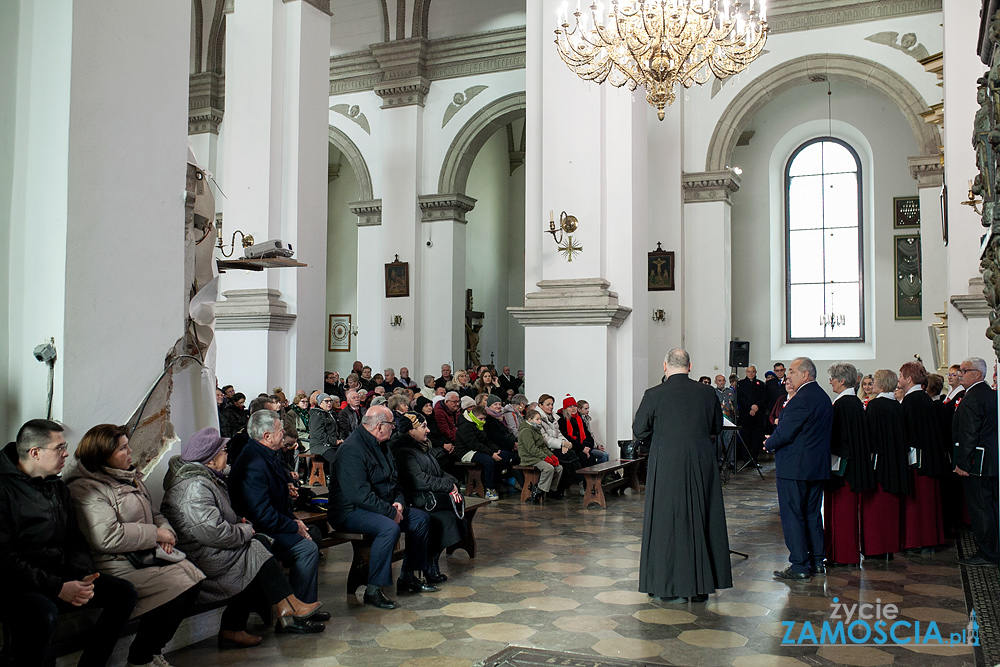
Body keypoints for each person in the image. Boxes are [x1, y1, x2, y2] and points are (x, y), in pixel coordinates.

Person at [160, 428, 324, 647]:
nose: (227, 455)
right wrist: (245, 529)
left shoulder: (206, 479)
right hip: (201, 555)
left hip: (213, 546)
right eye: (223, 451)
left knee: (260, 547)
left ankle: (250, 621)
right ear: (210, 460)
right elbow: (213, 531)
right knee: (257, 551)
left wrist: (240, 522)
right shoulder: (195, 486)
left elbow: (221, 517)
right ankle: (284, 607)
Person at [1, 420, 139, 667]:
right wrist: (57, 587)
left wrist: (83, 575)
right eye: (60, 447)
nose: (66, 453)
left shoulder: (57, 486)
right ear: (35, 452)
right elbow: (5, 558)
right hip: (17, 582)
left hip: (59, 575)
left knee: (123, 592)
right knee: (43, 613)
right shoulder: (4, 489)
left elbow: (74, 538)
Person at [64, 424, 205, 667]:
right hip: (113, 564)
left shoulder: (129, 476)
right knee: (179, 583)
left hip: (143, 556)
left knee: (193, 576)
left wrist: (166, 534)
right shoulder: (86, 486)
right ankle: (141, 658)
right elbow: (105, 537)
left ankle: (149, 651)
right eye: (122, 448)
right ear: (103, 454)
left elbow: (153, 512)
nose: (130, 451)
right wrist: (154, 534)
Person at [633, 348, 731, 602]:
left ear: (664, 366)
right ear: (690, 366)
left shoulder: (654, 394)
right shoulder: (707, 392)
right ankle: (700, 587)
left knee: (666, 521)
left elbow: (639, 430)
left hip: (666, 463)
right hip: (701, 462)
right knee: (702, 517)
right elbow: (717, 427)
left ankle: (667, 587)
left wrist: (664, 436)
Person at [327, 407, 436, 608]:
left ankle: (408, 576)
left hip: (380, 505)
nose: (394, 428)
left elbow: (395, 480)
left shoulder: (382, 444)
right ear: (379, 427)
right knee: (389, 528)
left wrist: (399, 503)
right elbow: (358, 495)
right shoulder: (352, 450)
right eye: (392, 424)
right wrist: (390, 512)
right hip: (348, 510)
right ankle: (373, 589)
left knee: (420, 519)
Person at [229, 411, 324, 609]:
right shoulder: (253, 463)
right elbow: (261, 514)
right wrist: (293, 526)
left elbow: (275, 491)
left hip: (272, 522)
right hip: (259, 530)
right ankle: (296, 610)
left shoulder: (265, 454)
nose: (283, 434)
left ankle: (302, 604)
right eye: (280, 430)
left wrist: (287, 492)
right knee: (307, 548)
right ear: (267, 436)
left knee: (313, 535)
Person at [763, 357, 832, 581]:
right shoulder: (821, 396)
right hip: (815, 467)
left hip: (795, 468)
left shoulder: (801, 399)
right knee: (812, 514)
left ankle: (799, 565)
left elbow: (785, 432)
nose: (788, 375)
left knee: (793, 516)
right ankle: (817, 561)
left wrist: (769, 443)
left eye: (792, 371)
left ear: (805, 374)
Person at [390, 412, 464, 583]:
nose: (428, 430)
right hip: (415, 500)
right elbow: (419, 480)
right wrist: (448, 485)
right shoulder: (403, 451)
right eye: (423, 426)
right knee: (443, 520)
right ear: (410, 431)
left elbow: (437, 471)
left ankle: (431, 562)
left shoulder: (421, 446)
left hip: (429, 497)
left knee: (455, 518)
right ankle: (428, 566)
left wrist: (452, 482)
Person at [824, 363, 874, 566]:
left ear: (842, 380)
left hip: (842, 469)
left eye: (833, 378)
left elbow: (838, 438)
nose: (831, 382)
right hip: (851, 465)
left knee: (842, 514)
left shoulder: (844, 404)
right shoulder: (854, 402)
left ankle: (844, 556)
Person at [953, 357, 999, 566]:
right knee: (991, 507)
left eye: (965, 370)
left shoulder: (973, 397)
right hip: (991, 462)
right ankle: (992, 549)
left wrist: (962, 464)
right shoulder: (990, 394)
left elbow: (969, 433)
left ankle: (988, 553)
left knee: (981, 509)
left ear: (978, 374)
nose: (960, 373)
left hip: (977, 464)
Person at [898, 361, 948, 552]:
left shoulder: (913, 400)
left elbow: (910, 433)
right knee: (928, 503)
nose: (899, 379)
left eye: (901, 376)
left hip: (918, 460)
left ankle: (919, 540)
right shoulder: (924, 398)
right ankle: (928, 540)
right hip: (930, 458)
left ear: (909, 379)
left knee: (920, 503)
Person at [860, 369, 910, 558]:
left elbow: (870, 437)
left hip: (878, 465)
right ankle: (890, 547)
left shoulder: (875, 406)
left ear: (881, 384)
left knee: (876, 509)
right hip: (895, 464)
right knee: (891, 509)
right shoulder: (897, 405)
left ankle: (876, 548)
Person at [455, 405, 512, 501]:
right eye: (481, 418)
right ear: (474, 416)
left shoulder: (478, 424)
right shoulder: (465, 426)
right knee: (488, 460)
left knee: (505, 455)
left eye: (484, 419)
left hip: (477, 450)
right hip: (466, 452)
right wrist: (491, 454)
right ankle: (490, 488)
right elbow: (473, 444)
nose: (483, 421)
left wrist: (496, 449)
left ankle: (496, 479)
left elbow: (486, 441)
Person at [536, 394, 580, 496]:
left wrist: (565, 444)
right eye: (548, 404)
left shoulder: (553, 417)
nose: (551, 406)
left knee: (567, 459)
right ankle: (580, 480)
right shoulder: (538, 418)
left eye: (552, 404)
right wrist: (562, 444)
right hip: (546, 449)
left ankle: (558, 491)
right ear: (540, 405)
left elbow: (559, 433)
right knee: (570, 456)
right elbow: (545, 439)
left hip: (555, 446)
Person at [518, 409, 564, 503]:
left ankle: (551, 490)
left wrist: (552, 456)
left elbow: (542, 446)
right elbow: (531, 449)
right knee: (548, 468)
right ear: (530, 420)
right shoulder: (526, 431)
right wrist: (545, 458)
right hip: (528, 457)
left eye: (540, 419)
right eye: (537, 419)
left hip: (537, 456)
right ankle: (539, 490)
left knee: (559, 468)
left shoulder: (536, 429)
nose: (539, 421)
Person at [559, 395, 607, 464]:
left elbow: (588, 435)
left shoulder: (579, 419)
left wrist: (587, 447)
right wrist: (582, 448)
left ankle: (601, 475)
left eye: (574, 406)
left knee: (593, 457)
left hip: (584, 447)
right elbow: (566, 437)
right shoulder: (562, 420)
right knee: (584, 457)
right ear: (565, 409)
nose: (573, 408)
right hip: (573, 448)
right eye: (570, 407)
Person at [736, 365, 767, 465]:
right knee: (746, 439)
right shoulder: (740, 384)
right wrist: (750, 407)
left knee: (756, 440)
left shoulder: (761, 384)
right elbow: (740, 398)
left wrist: (756, 406)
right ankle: (746, 460)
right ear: (746, 372)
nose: (751, 373)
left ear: (756, 372)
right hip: (745, 416)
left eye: (752, 371)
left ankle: (754, 460)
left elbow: (764, 398)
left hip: (757, 417)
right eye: (749, 371)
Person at [309, 393, 340, 465]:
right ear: (320, 403)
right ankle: (333, 476)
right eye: (326, 401)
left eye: (330, 401)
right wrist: (334, 441)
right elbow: (318, 433)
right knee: (336, 459)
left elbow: (339, 428)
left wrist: (340, 439)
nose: (329, 403)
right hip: (320, 445)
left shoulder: (332, 414)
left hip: (332, 443)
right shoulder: (317, 415)